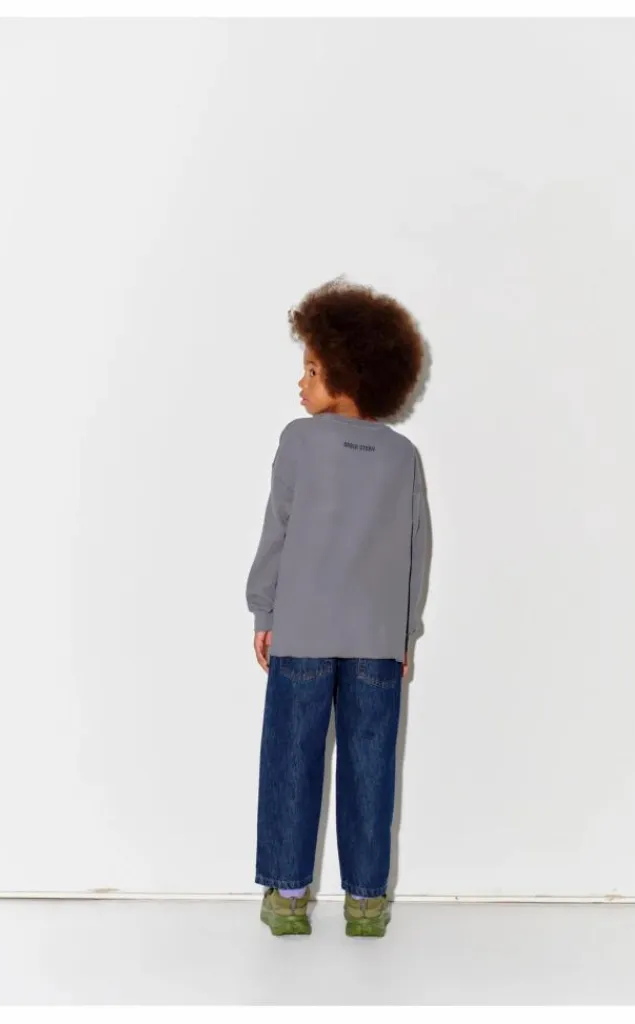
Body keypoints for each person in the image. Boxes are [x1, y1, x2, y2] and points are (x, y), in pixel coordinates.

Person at [246, 276, 429, 938]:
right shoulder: (404, 457)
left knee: (292, 761)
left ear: (346, 374)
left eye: (313, 370)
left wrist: (263, 610)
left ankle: (289, 896)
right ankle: (367, 903)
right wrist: (405, 634)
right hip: (378, 641)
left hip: (302, 633)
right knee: (371, 766)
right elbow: (416, 552)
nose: (302, 382)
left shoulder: (299, 440)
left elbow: (278, 530)